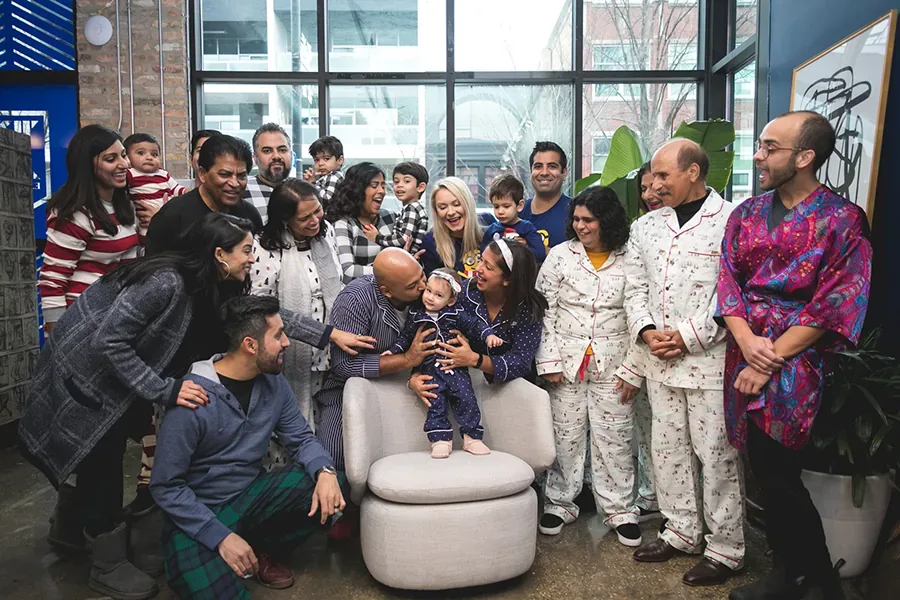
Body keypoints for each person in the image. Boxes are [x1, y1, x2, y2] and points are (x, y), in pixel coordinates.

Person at [721, 112, 872, 600]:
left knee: (778, 470)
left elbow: (838, 300)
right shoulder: (745, 213)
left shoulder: (843, 220)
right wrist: (746, 344)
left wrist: (768, 360)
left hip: (795, 359)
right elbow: (728, 283)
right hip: (745, 347)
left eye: (770, 147)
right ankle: (790, 575)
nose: (758, 156)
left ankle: (821, 581)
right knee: (763, 469)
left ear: (804, 157)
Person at [151, 295, 348, 598]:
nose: (287, 343)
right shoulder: (192, 398)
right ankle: (227, 552)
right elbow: (166, 487)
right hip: (199, 514)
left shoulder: (272, 382)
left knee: (334, 487)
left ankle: (261, 550)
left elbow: (301, 439)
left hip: (248, 498)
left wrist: (325, 471)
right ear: (250, 345)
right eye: (279, 335)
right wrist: (220, 537)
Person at [624, 139, 744, 587]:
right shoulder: (647, 226)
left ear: (693, 172)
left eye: (663, 176)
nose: (653, 185)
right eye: (652, 176)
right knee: (667, 451)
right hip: (659, 362)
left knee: (715, 455)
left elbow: (734, 291)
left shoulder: (732, 220)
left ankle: (726, 548)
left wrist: (688, 337)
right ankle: (681, 531)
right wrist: (646, 331)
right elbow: (633, 288)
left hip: (709, 363)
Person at [535, 186, 641, 547]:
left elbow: (638, 312)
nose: (580, 226)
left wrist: (633, 368)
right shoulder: (561, 256)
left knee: (615, 436)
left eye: (589, 220)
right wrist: (547, 359)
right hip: (565, 360)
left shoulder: (630, 257)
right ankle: (560, 501)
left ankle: (619, 509)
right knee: (566, 434)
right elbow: (542, 310)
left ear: (606, 221)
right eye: (576, 219)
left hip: (615, 361)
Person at [251, 178, 343, 447]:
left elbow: (337, 284)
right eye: (305, 218)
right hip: (290, 351)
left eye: (318, 211)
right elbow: (260, 307)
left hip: (330, 353)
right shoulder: (265, 247)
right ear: (284, 220)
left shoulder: (326, 234)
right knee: (291, 427)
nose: (315, 220)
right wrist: (323, 333)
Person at [409, 240, 547, 404]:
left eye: (488, 267)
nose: (478, 269)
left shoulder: (528, 309)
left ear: (508, 279)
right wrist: (415, 377)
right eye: (481, 260)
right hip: (463, 386)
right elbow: (430, 331)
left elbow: (521, 362)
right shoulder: (461, 294)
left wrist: (475, 359)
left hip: (512, 391)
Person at [386, 268, 502, 458]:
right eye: (428, 291)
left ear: (451, 300)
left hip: (456, 369)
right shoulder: (416, 315)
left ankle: (472, 438)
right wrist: (393, 351)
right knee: (435, 402)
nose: (430, 297)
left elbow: (475, 325)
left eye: (438, 295)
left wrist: (488, 335)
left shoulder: (456, 313)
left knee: (466, 399)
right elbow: (405, 337)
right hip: (430, 370)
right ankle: (440, 440)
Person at [38, 124, 139, 337]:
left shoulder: (124, 205)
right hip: (79, 323)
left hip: (112, 319)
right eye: (110, 159)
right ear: (87, 166)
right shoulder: (74, 214)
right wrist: (57, 341)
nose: (123, 164)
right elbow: (52, 281)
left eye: (123, 155)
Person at [613, 161, 665, 524]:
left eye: (657, 185)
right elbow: (635, 294)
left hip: (689, 348)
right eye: (644, 189)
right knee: (647, 429)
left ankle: (671, 503)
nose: (650, 194)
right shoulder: (639, 231)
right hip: (645, 343)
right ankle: (652, 495)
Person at [145, 135, 263, 255]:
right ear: (202, 174)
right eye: (224, 174)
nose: (234, 183)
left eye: (241, 176)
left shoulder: (250, 215)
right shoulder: (171, 217)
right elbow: (154, 270)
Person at [326, 162, 397, 284]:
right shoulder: (343, 224)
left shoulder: (390, 217)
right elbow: (347, 272)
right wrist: (392, 272)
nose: (382, 191)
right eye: (374, 186)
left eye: (383, 186)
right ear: (357, 190)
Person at [420, 176, 490, 278]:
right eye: (442, 207)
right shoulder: (430, 242)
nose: (451, 212)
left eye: (456, 204)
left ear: (468, 203)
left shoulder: (489, 226)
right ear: (436, 211)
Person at [124, 132, 187, 241]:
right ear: (127, 158)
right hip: (145, 220)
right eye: (141, 153)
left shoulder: (163, 173)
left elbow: (176, 188)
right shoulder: (130, 174)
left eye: (154, 154)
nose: (149, 157)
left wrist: (187, 191)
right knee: (147, 239)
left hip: (168, 216)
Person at [363, 161, 429, 254]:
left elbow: (403, 238)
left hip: (407, 259)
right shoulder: (413, 208)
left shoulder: (412, 208)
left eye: (406, 181)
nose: (399, 185)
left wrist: (378, 238)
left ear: (420, 187)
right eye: (396, 181)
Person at [480, 174, 546, 261]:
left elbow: (540, 254)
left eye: (506, 206)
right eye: (496, 206)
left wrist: (523, 249)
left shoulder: (527, 228)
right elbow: (483, 254)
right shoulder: (491, 230)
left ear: (520, 205)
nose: (500, 211)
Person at [520, 141, 571, 249]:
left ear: (564, 173)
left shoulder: (576, 213)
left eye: (552, 166)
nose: (544, 173)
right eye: (538, 166)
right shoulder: (517, 212)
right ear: (531, 172)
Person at [243, 123, 293, 223]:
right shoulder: (242, 188)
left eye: (282, 150)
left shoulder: (302, 190)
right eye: (267, 151)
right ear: (255, 158)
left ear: (291, 155)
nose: (276, 156)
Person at [303, 135, 345, 209]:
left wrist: (312, 184)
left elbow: (326, 199)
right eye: (316, 160)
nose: (320, 163)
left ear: (340, 160)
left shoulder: (334, 176)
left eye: (326, 159)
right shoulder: (327, 176)